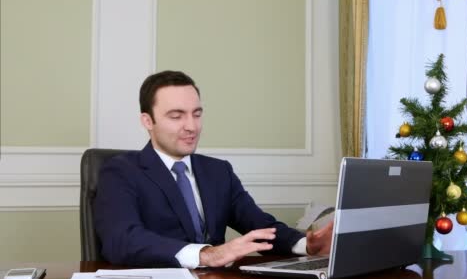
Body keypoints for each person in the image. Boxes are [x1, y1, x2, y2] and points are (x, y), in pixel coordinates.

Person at [94, 70, 333, 268]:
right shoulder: (120, 172)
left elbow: (260, 226)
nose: (192, 126)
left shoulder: (218, 172)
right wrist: (207, 254)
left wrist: (306, 245)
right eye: (177, 116)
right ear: (148, 121)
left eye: (196, 114)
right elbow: (122, 240)